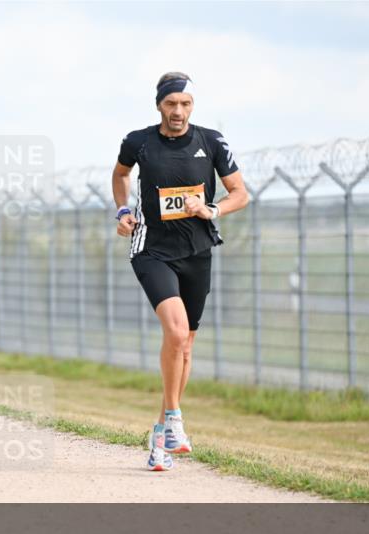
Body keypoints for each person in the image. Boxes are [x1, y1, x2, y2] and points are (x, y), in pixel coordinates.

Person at [112, 72, 249, 472]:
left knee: (185, 344)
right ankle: (174, 418)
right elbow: (120, 175)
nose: (178, 111)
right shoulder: (139, 141)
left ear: (193, 106)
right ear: (159, 105)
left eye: (185, 104)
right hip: (152, 249)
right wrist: (123, 212)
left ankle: (161, 434)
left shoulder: (211, 141)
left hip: (198, 250)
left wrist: (213, 209)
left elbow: (240, 193)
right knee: (174, 332)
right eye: (171, 104)